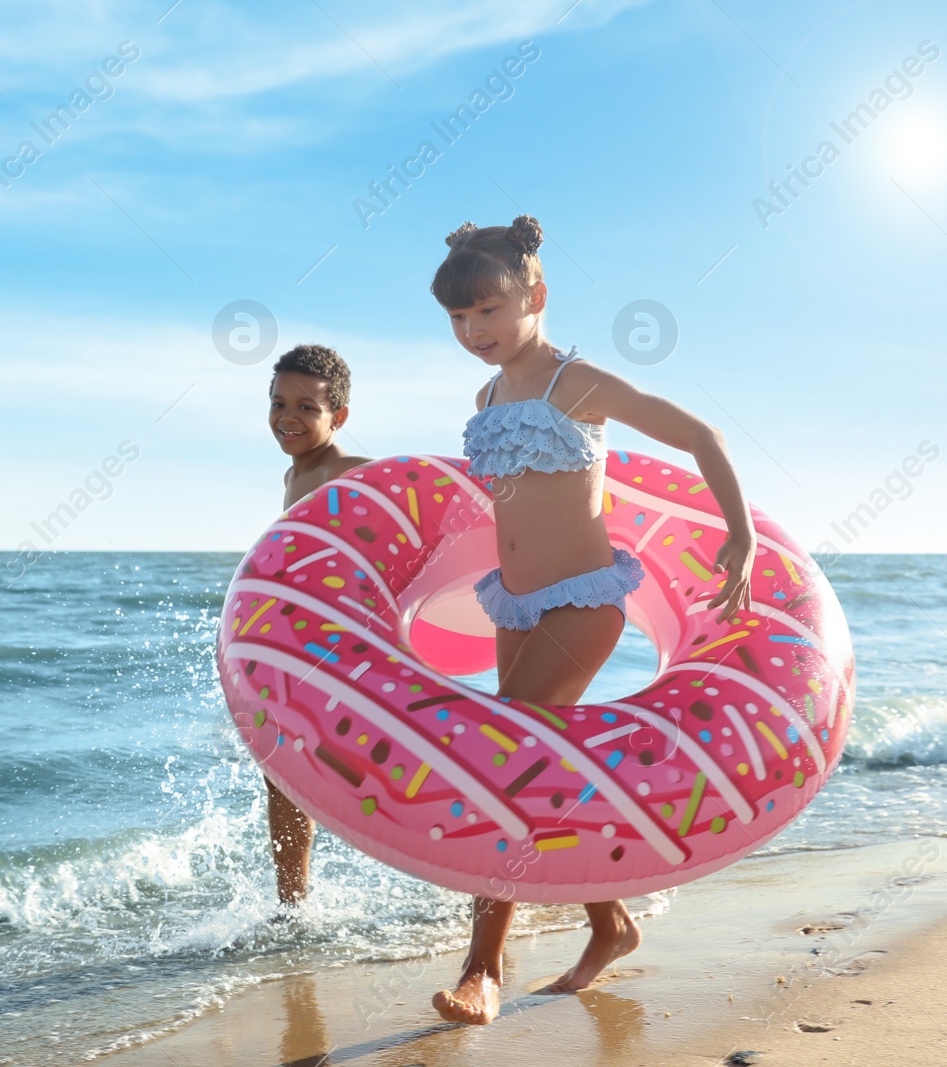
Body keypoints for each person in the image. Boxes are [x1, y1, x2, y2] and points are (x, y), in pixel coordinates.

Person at [428, 216, 756, 1025]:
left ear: (535, 296)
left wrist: (740, 535)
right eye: (459, 319)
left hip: (581, 603)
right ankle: (610, 923)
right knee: (539, 767)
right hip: (514, 603)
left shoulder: (573, 382)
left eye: (489, 311)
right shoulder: (487, 393)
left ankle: (483, 970)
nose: (475, 332)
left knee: (504, 765)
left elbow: (698, 432)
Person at [264, 343, 370, 904]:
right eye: (279, 403)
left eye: (308, 407)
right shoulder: (293, 474)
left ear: (338, 418)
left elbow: (419, 491)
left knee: (351, 774)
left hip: (340, 656)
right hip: (297, 653)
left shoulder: (347, 472)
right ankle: (292, 907)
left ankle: (465, 874)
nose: (288, 417)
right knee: (280, 779)